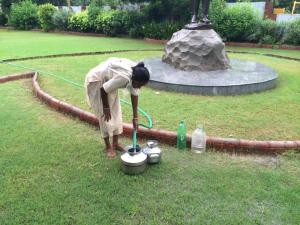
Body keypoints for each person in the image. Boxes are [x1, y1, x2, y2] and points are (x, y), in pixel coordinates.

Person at [84, 57, 150, 158]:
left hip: (109, 81)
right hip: (97, 81)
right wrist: (106, 108)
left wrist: (135, 117)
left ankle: (115, 143)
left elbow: (135, 94)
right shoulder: (125, 78)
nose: (140, 87)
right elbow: (103, 90)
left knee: (116, 112)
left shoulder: (136, 72)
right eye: (139, 84)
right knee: (105, 116)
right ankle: (108, 146)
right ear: (134, 79)